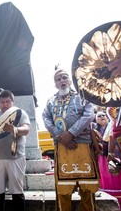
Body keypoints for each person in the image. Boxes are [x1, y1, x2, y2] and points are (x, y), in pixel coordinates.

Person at [42, 68, 99, 211]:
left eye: (64, 77)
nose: (62, 81)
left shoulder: (82, 97)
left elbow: (89, 115)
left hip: (83, 146)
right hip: (62, 147)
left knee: (87, 189)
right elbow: (46, 118)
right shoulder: (50, 101)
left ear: (70, 80)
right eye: (58, 79)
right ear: (55, 84)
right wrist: (61, 137)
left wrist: (71, 133)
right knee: (63, 190)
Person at [0, 90, 30, 211]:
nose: (5, 104)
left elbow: (26, 129)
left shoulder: (20, 112)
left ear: (12, 102)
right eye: (2, 102)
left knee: (17, 192)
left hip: (16, 157)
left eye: (8, 101)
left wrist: (15, 129)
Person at [92, 111, 121, 211]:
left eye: (103, 115)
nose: (102, 117)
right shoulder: (94, 130)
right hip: (104, 158)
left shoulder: (112, 124)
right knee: (110, 177)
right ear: (96, 119)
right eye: (99, 116)